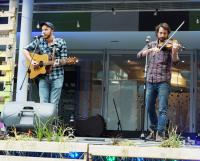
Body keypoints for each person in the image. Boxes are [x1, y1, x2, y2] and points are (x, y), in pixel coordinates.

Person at [137, 23, 180, 141]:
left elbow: (175, 61)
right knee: (149, 107)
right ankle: (154, 129)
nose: (162, 35)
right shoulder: (150, 45)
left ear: (168, 34)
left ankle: (160, 134)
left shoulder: (170, 46)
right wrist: (150, 50)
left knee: (162, 109)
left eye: (165, 33)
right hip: (150, 81)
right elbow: (139, 54)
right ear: (157, 33)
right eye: (160, 33)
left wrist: (175, 51)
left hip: (163, 82)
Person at [23, 22, 67, 110]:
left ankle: (52, 123)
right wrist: (32, 61)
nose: (43, 32)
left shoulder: (61, 42)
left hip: (57, 76)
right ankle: (44, 124)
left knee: (54, 102)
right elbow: (25, 50)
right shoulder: (39, 40)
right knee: (43, 102)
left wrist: (57, 62)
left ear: (52, 30)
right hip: (43, 76)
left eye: (46, 29)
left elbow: (65, 60)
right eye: (42, 30)